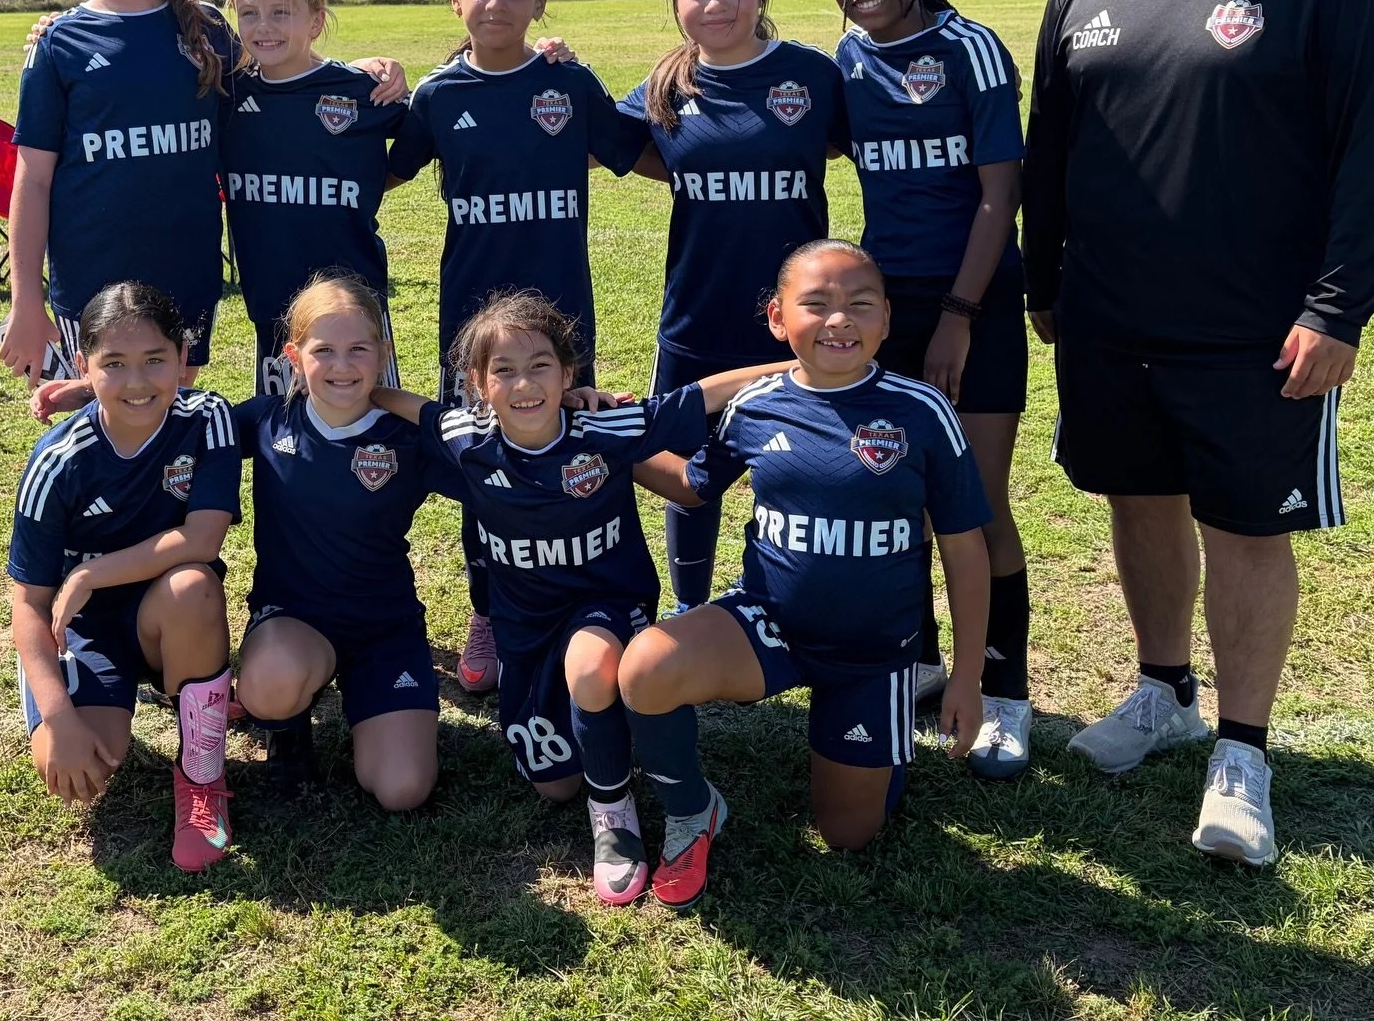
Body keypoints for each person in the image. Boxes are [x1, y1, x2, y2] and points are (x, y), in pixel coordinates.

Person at [1022, 0, 1373, 865]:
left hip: (1261, 330)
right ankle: (1165, 689)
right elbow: (1052, 149)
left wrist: (1339, 306)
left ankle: (1244, 750)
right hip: (1110, 321)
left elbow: (1370, 149)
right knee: (1138, 504)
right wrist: (1046, 285)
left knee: (1248, 529)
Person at [370, 290, 790, 905]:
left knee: (590, 668)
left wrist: (787, 369)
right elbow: (413, 407)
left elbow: (700, 397)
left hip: (606, 602)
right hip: (525, 625)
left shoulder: (604, 426)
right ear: (477, 385)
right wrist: (358, 391)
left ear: (569, 375)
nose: (523, 384)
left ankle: (614, 815)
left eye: (541, 365)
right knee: (553, 784)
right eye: (503, 371)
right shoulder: (467, 437)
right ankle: (603, 745)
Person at [621, 239, 991, 909]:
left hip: (872, 654)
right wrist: (613, 443)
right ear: (777, 318)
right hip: (771, 624)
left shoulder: (922, 412)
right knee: (646, 667)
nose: (838, 320)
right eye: (815, 304)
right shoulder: (756, 404)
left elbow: (966, 550)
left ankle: (879, 750)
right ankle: (692, 809)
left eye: (859, 305)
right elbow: (691, 487)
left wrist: (967, 675)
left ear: (886, 319)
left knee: (847, 834)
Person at [0, 0, 407, 388]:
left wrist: (364, 69)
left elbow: (282, 75)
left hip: (184, 276)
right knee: (94, 440)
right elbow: (32, 179)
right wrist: (25, 300)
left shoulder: (208, 31)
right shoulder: (59, 44)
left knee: (171, 438)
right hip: (89, 283)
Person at [386, 0, 649, 695]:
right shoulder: (437, 96)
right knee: (483, 469)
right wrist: (364, 76)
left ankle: (581, 604)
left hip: (560, 325)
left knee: (575, 458)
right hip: (475, 329)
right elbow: (376, 166)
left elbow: (641, 145)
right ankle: (491, 610)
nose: (496, 1)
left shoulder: (568, 84)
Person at [820, 0, 1031, 780]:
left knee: (976, 499)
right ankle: (920, 663)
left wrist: (956, 316)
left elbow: (999, 195)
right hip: (885, 306)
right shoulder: (849, 57)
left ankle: (1007, 690)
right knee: (894, 490)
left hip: (970, 301)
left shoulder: (971, 49)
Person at [617, 0, 849, 612]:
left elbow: (843, 146)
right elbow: (596, 140)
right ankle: (691, 610)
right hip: (697, 317)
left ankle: (782, 605)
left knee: (795, 468)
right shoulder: (663, 87)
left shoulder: (811, 76)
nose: (716, 4)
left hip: (796, 324)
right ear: (676, 1)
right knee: (691, 476)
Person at [9, 282, 240, 872]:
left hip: (169, 614)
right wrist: (58, 716)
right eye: (114, 364)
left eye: (155, 361)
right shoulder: (57, 462)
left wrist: (91, 572)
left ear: (183, 359)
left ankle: (201, 779)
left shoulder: (206, 418)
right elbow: (30, 604)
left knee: (193, 584)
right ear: (84, 366)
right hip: (90, 627)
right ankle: (71, 694)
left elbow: (203, 539)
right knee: (87, 767)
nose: (138, 383)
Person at [229, 275, 467, 810]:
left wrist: (573, 404)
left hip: (384, 627)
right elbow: (174, 426)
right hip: (295, 620)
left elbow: (502, 452)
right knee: (268, 683)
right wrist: (99, 392)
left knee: (402, 790)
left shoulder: (406, 436)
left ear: (383, 353)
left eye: (359, 349)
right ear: (294, 356)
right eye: (324, 351)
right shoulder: (268, 420)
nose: (342, 366)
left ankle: (374, 695)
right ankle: (288, 734)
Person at [222, 0, 407, 396]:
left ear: (316, 20)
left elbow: (428, 135)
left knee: (372, 434)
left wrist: (371, 184)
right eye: (249, 14)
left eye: (281, 13)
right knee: (284, 436)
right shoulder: (225, 94)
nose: (263, 27)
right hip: (273, 302)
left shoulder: (361, 90)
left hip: (355, 303)